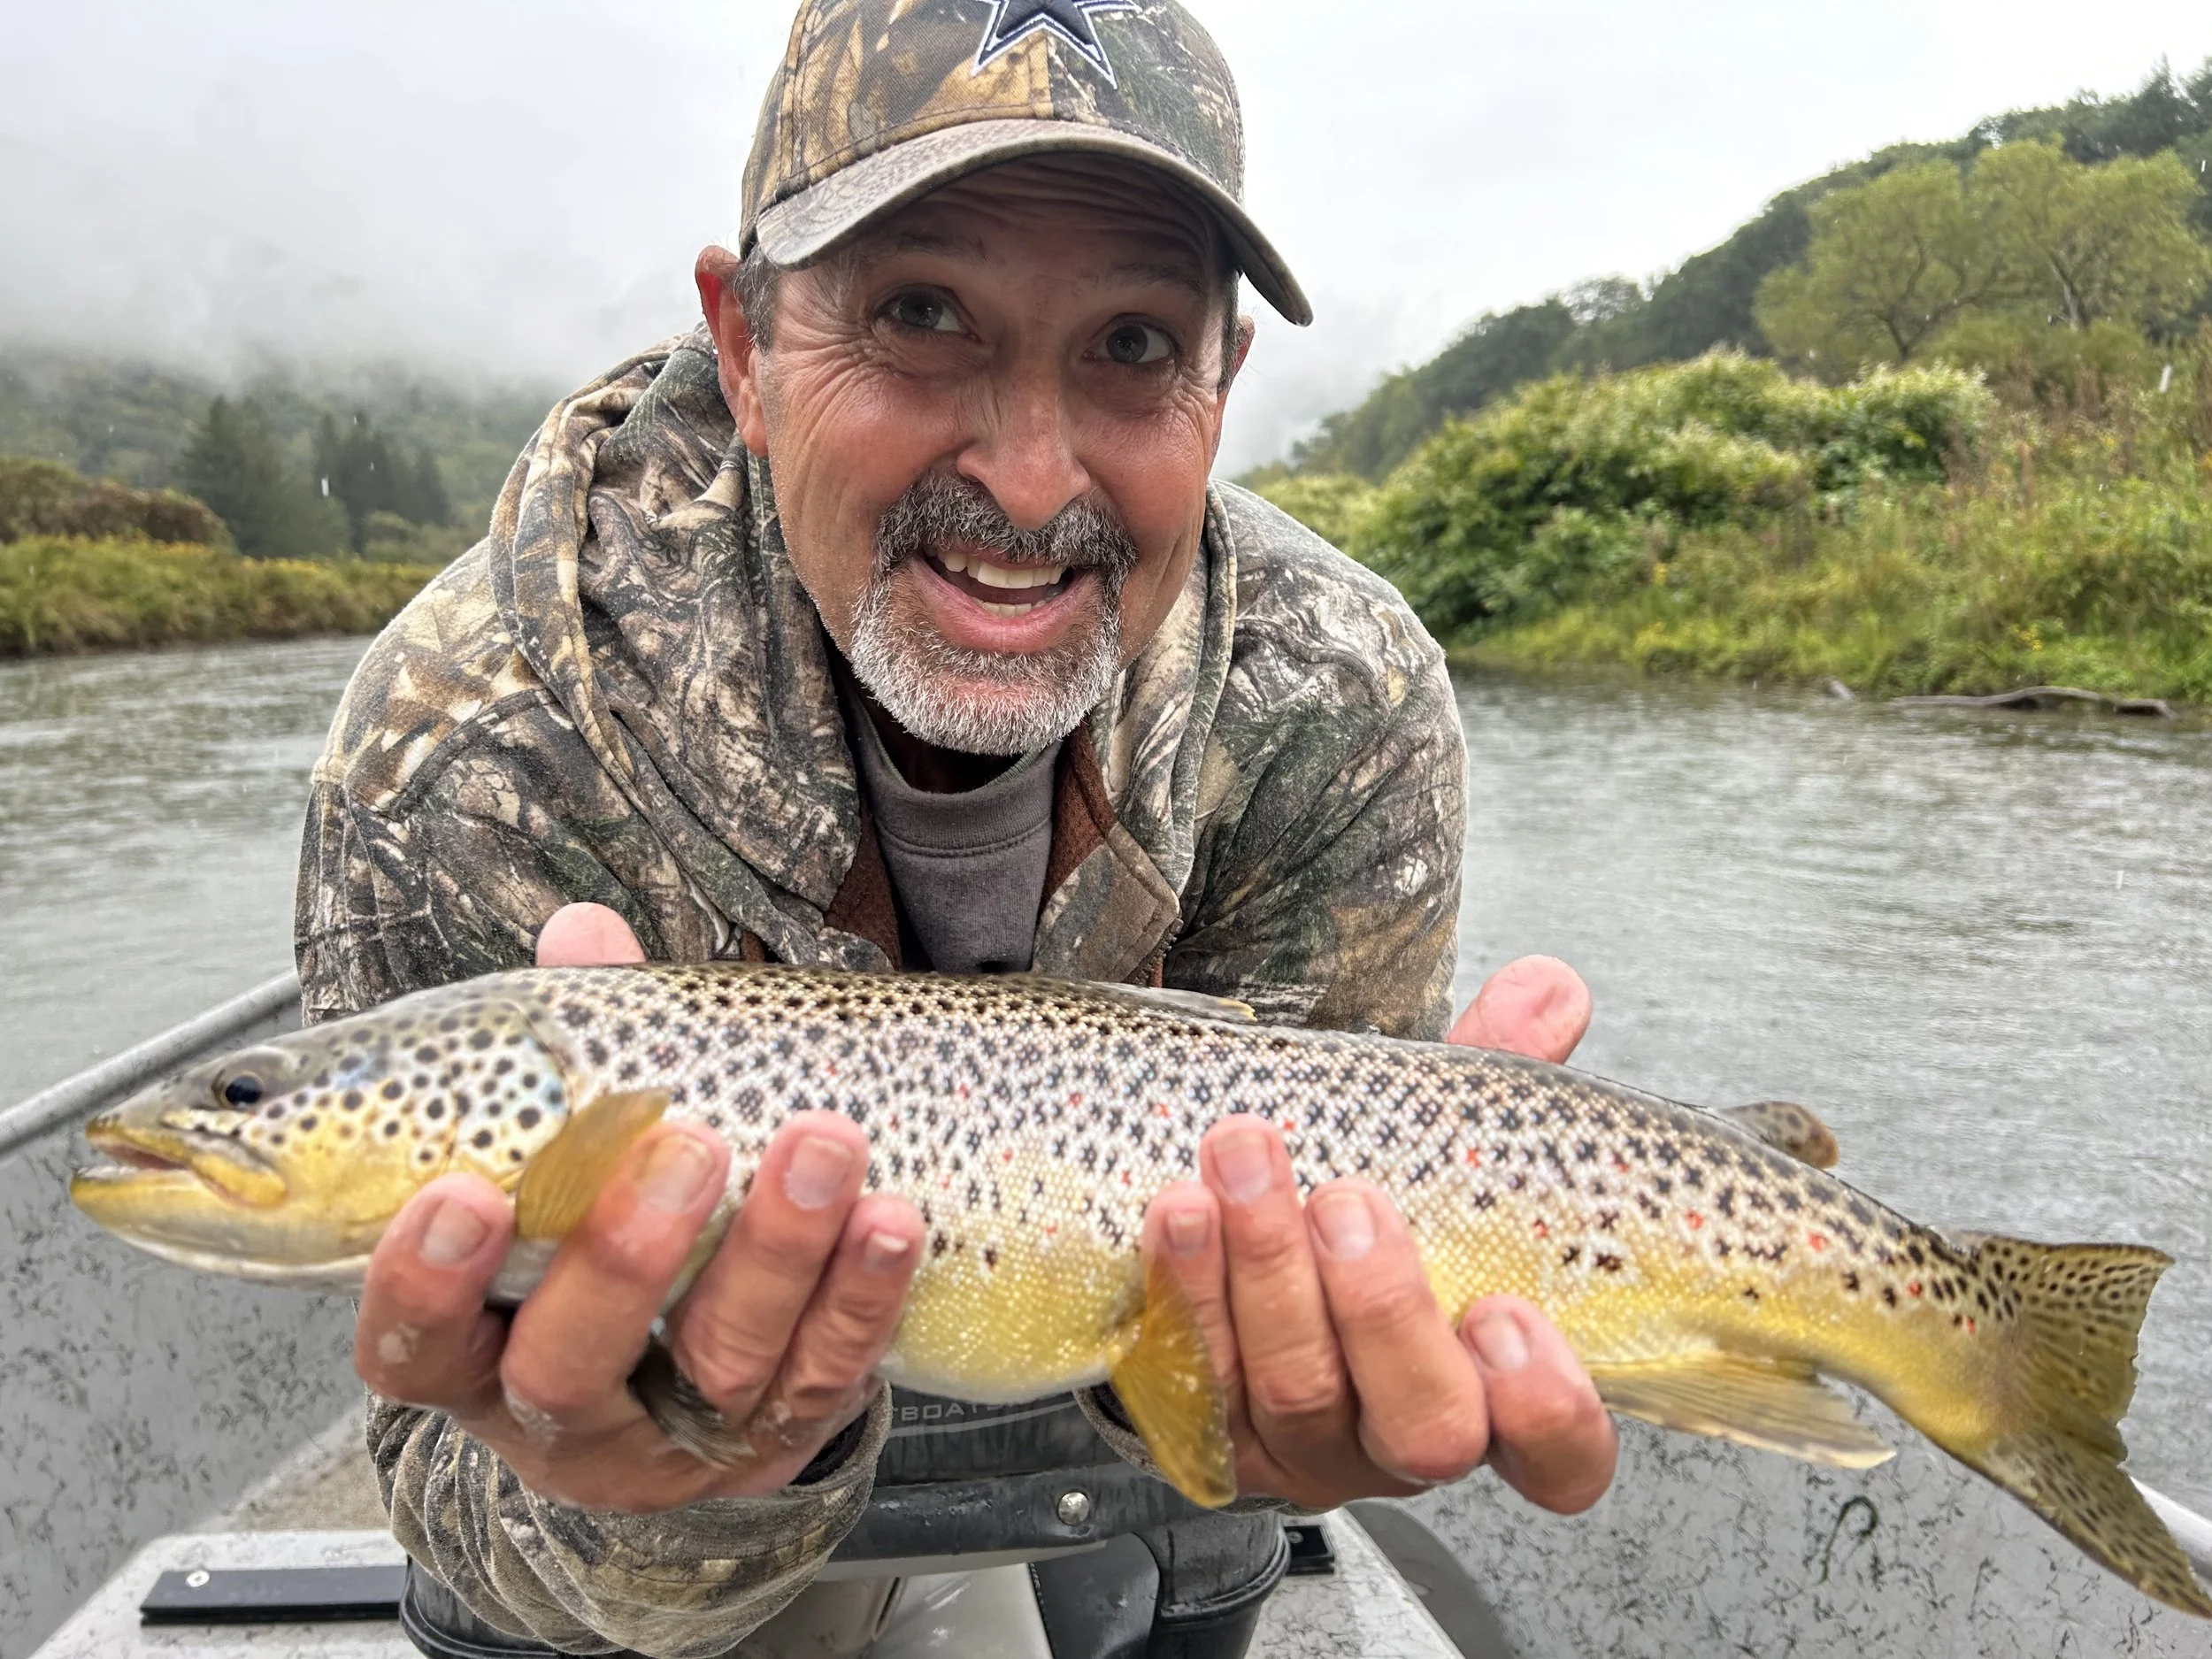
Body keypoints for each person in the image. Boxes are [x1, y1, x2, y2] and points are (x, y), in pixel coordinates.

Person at [296, 0, 1619, 1653]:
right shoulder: (466, 738)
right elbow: (441, 1462)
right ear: (744, 346)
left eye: (1135, 344)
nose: (1028, 472)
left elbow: (1262, 1360)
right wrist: (673, 1487)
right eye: (924, 315)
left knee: (1206, 1556)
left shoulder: (1338, 698)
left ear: (1225, 380)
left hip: (1094, 1461)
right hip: (621, 1550)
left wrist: (1269, 1398)